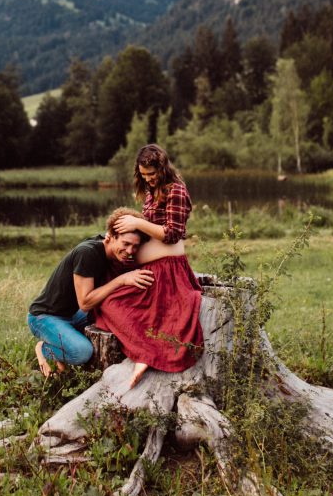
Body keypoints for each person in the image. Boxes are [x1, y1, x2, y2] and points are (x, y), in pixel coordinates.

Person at [94, 144, 203, 388]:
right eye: (143, 175)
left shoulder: (176, 190)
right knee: (110, 302)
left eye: (152, 174)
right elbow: (147, 231)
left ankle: (146, 354)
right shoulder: (152, 191)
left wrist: (137, 223)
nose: (148, 179)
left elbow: (172, 234)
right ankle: (143, 351)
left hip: (167, 270)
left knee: (123, 305)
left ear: (162, 169)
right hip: (152, 268)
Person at [27, 207, 155, 377]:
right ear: (111, 236)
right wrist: (121, 280)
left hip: (73, 314)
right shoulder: (88, 253)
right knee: (82, 352)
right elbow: (85, 303)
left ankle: (65, 346)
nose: (130, 251)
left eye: (135, 246)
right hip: (45, 317)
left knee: (113, 320)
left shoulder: (113, 251)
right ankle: (44, 349)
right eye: (126, 244)